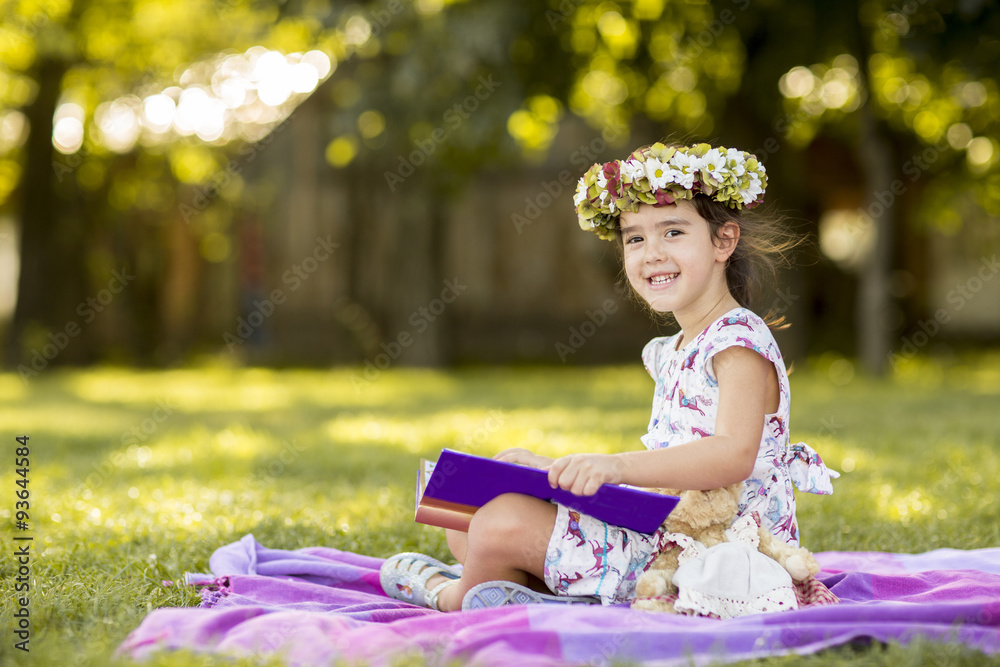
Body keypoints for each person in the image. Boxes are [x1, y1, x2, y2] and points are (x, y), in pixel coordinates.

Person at [380, 142, 839, 613]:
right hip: (662, 524)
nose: (652, 253)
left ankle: (453, 595)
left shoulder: (738, 342)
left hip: (714, 552)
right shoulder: (678, 348)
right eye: (635, 239)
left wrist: (614, 467)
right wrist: (548, 469)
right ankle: (525, 590)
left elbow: (732, 455)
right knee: (463, 509)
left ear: (723, 241)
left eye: (673, 232)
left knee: (500, 524)